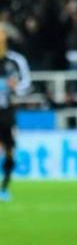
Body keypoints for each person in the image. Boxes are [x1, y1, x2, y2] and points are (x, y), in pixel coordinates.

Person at [0, 23, 31, 202]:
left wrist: (15, 87)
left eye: (1, 34)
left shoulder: (16, 60)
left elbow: (26, 83)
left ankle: (4, 187)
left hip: (6, 112)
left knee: (9, 149)